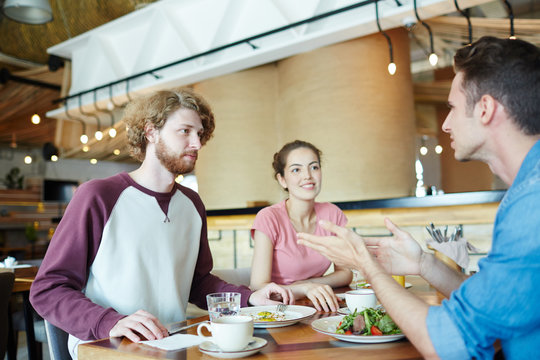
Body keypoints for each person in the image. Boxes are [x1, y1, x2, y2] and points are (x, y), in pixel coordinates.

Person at [298, 36, 540, 359]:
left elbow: (448, 344)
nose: (446, 123)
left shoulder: (531, 207)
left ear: (485, 109)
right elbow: (491, 303)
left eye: (452, 108)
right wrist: (422, 263)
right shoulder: (527, 194)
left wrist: (368, 267)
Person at [29, 88, 293, 357]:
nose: (197, 144)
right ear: (151, 132)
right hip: (106, 345)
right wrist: (111, 321)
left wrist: (249, 298)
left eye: (200, 134)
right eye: (185, 131)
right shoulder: (98, 196)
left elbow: (198, 283)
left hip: (171, 342)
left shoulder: (192, 204)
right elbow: (48, 289)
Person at [250, 140, 352, 312]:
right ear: (282, 179)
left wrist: (311, 285)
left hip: (318, 306)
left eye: (314, 167)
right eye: (296, 170)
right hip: (279, 312)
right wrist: (303, 288)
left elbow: (346, 273)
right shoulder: (268, 217)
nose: (308, 176)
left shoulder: (332, 214)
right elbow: (258, 287)